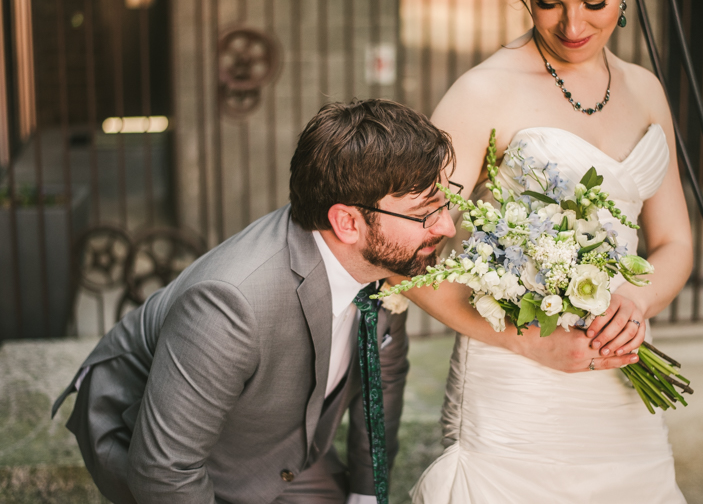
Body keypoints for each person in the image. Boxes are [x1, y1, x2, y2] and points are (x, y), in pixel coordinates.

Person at [51, 99, 461, 504]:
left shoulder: (382, 262)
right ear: (348, 222)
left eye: (444, 200)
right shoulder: (229, 304)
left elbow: (383, 382)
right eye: (425, 212)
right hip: (162, 447)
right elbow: (164, 470)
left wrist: (366, 493)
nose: (446, 225)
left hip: (281, 445)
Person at [405, 0, 693, 502]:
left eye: (596, 2)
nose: (573, 25)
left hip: (620, 377)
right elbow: (407, 253)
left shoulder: (647, 89)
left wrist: (638, 297)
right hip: (515, 389)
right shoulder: (481, 92)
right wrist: (530, 343)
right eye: (548, 3)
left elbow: (675, 240)